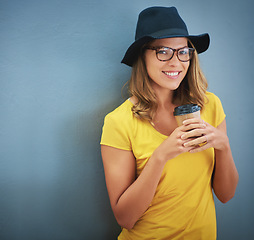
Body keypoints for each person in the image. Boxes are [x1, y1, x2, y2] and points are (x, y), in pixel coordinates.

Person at [100, 6, 239, 240]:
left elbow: (226, 195)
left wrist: (223, 145)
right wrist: (160, 156)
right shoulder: (119, 122)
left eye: (183, 51)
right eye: (163, 51)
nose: (176, 62)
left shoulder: (210, 105)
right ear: (142, 56)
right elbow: (124, 218)